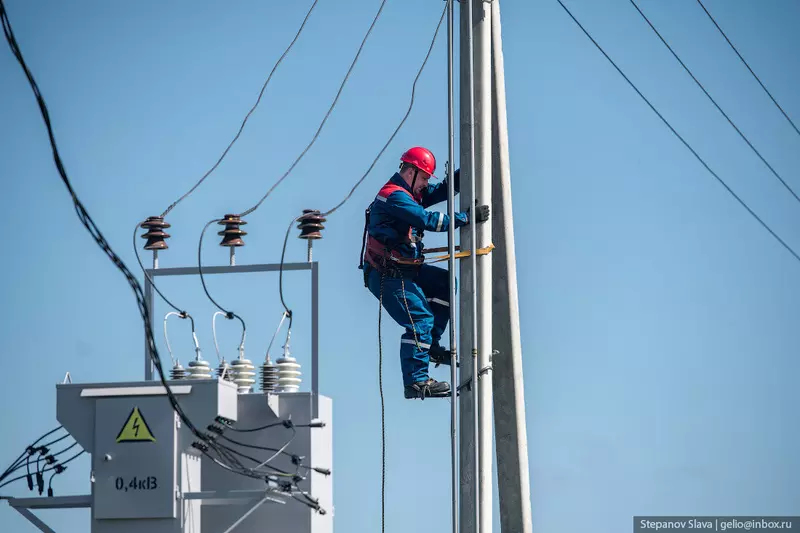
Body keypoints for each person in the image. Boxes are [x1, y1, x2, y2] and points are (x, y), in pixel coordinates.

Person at [359, 146, 489, 399]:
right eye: (425, 178)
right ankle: (416, 382)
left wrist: (462, 176)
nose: (427, 183)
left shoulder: (410, 192)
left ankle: (432, 346)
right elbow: (427, 220)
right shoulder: (394, 197)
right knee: (419, 321)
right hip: (386, 276)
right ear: (411, 172)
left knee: (444, 285)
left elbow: (437, 192)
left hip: (404, 270)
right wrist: (465, 218)